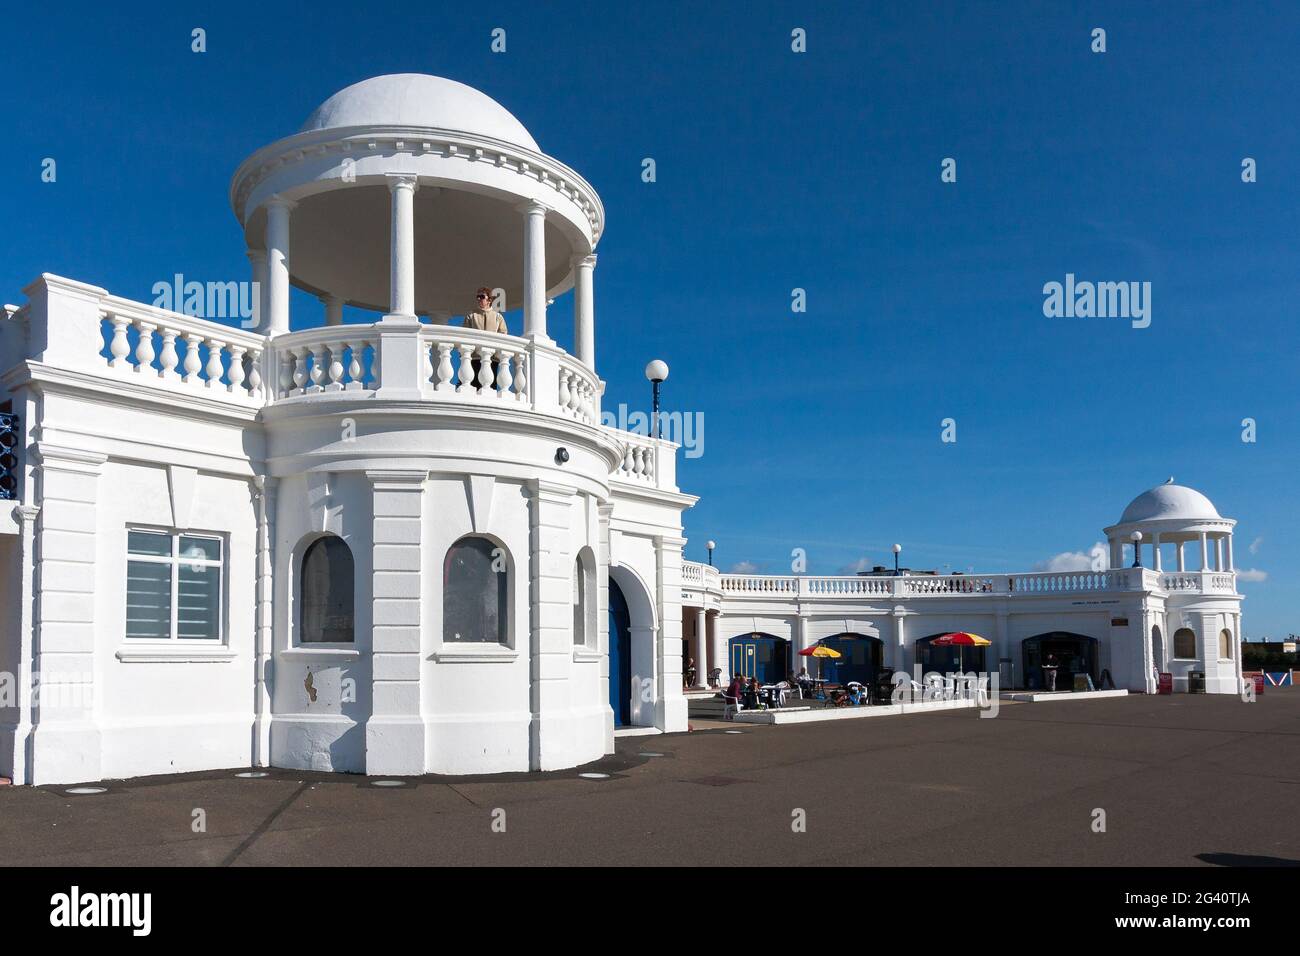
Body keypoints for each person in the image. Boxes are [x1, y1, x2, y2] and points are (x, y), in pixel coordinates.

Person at [462, 288, 507, 389]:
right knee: (474, 388)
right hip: (475, 358)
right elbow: (464, 335)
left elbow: (503, 335)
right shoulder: (471, 316)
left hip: (492, 358)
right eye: (477, 297)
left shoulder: (498, 317)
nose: (479, 299)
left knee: (491, 388)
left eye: (482, 297)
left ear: (489, 300)